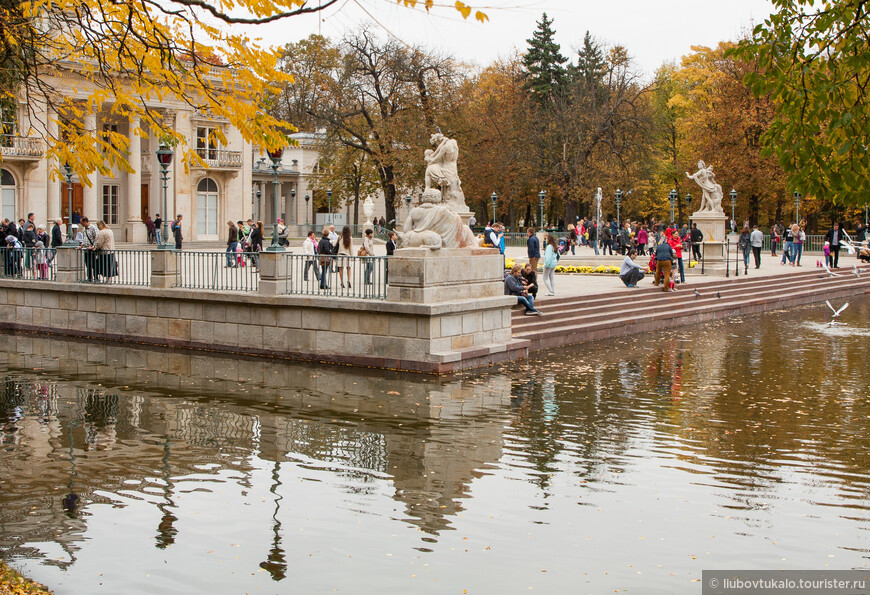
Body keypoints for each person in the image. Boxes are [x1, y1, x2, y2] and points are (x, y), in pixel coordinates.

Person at [78, 217, 98, 281]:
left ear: (85, 222)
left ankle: (96, 278)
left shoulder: (93, 228)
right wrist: (81, 246)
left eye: (82, 223)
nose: (81, 224)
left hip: (92, 249)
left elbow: (96, 238)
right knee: (88, 265)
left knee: (94, 264)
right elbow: (84, 239)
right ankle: (89, 278)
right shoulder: (84, 229)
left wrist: (93, 247)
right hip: (86, 249)